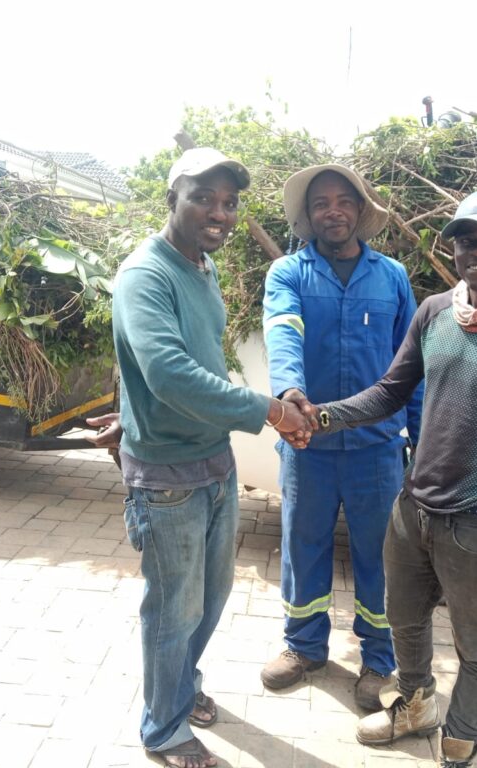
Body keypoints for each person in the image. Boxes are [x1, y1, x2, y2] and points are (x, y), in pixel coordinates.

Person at [311, 189, 477, 767]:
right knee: (404, 622)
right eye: (465, 240)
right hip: (412, 510)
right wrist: (322, 417)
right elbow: (389, 392)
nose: (476, 250)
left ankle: (462, 737)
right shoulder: (434, 312)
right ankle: (415, 707)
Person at [88, 147, 313, 768]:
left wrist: (129, 411)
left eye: (229, 202)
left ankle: (181, 689)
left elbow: (177, 358)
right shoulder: (146, 274)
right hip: (167, 478)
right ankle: (163, 730)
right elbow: (168, 373)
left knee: (209, 600)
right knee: (173, 609)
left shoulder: (202, 265)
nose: (219, 212)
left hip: (214, 462)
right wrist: (270, 410)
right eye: (203, 198)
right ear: (172, 200)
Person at [261, 164, 423, 710]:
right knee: (303, 546)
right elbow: (283, 330)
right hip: (307, 445)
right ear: (309, 217)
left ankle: (379, 659)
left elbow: (411, 365)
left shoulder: (392, 277)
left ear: (360, 210)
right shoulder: (288, 273)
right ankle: (304, 647)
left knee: (383, 556)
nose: (333, 211)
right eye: (321, 203)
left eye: (343, 201)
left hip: (377, 449)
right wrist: (290, 392)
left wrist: (421, 441)